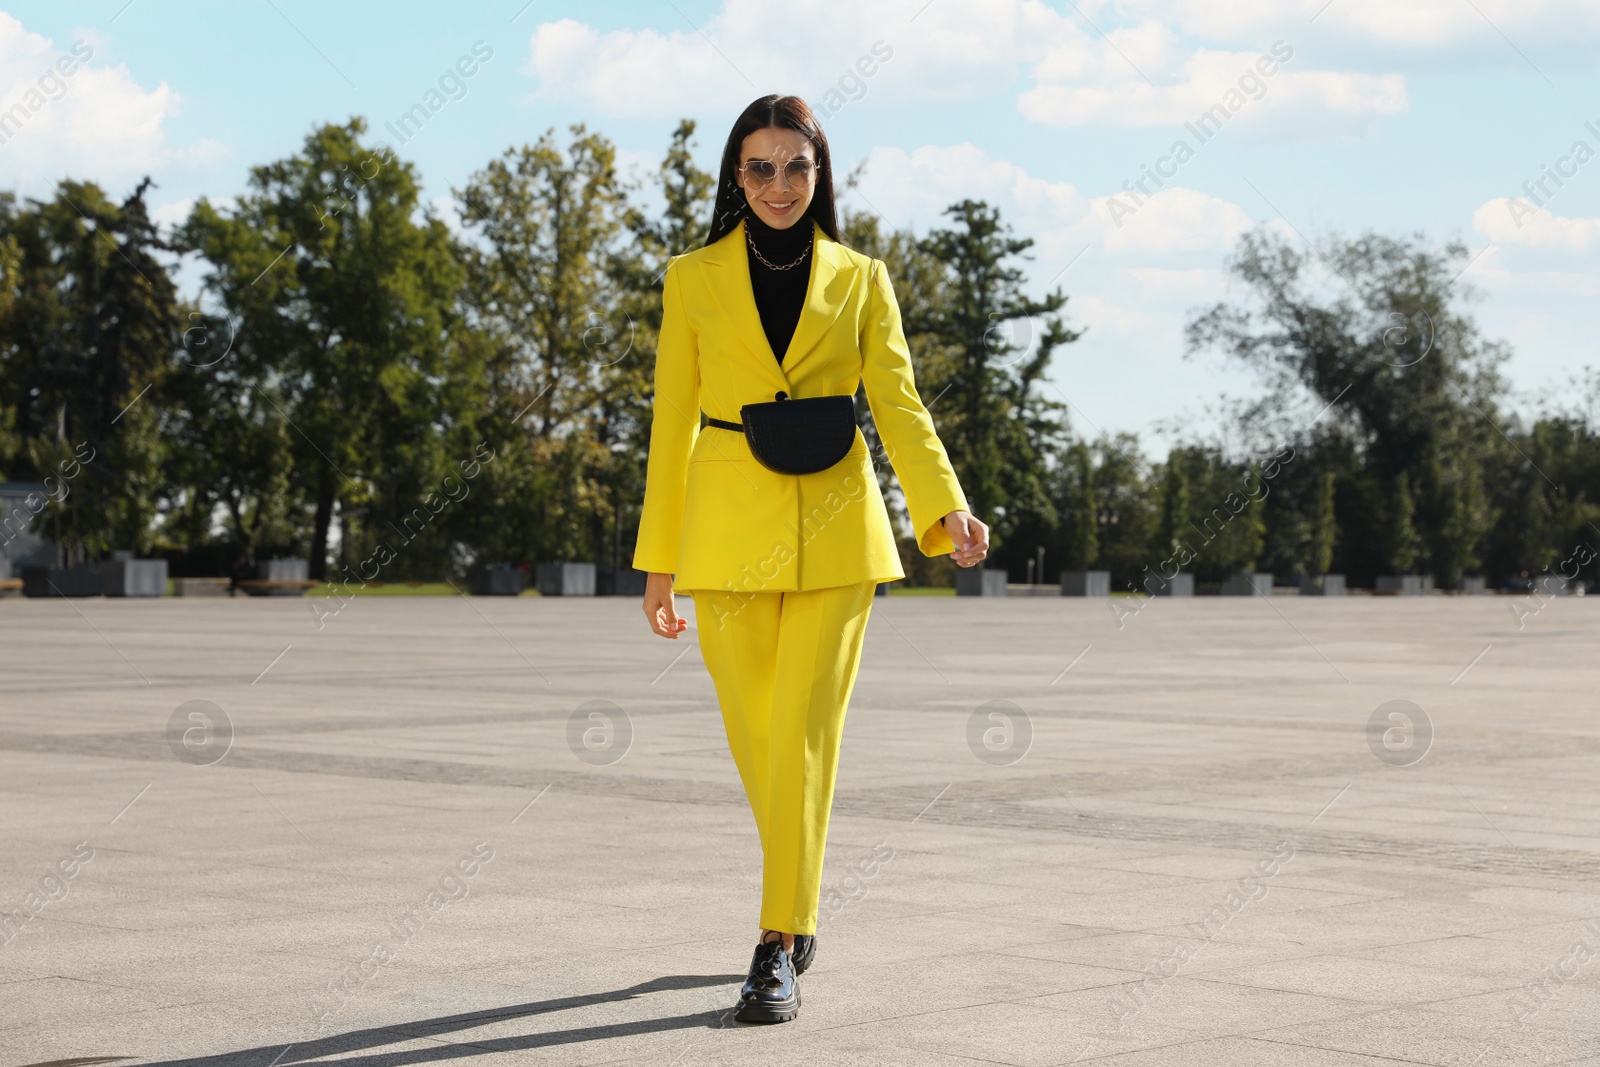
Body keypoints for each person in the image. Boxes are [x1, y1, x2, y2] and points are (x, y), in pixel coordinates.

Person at [634, 94, 989, 1024]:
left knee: (800, 732)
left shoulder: (863, 278)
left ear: (820, 174)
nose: (781, 185)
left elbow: (900, 402)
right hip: (722, 535)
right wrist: (659, 559)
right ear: (735, 176)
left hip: (839, 532)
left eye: (798, 166)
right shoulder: (690, 278)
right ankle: (800, 899)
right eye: (761, 167)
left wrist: (943, 504)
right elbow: (671, 421)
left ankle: (775, 939)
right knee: (759, 740)